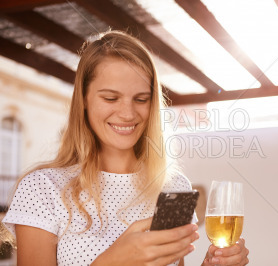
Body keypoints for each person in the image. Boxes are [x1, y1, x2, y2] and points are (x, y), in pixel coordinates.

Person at [1, 30, 249, 265]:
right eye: (111, 98)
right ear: (84, 100)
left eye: (141, 99)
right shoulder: (41, 188)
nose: (128, 113)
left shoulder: (173, 187)